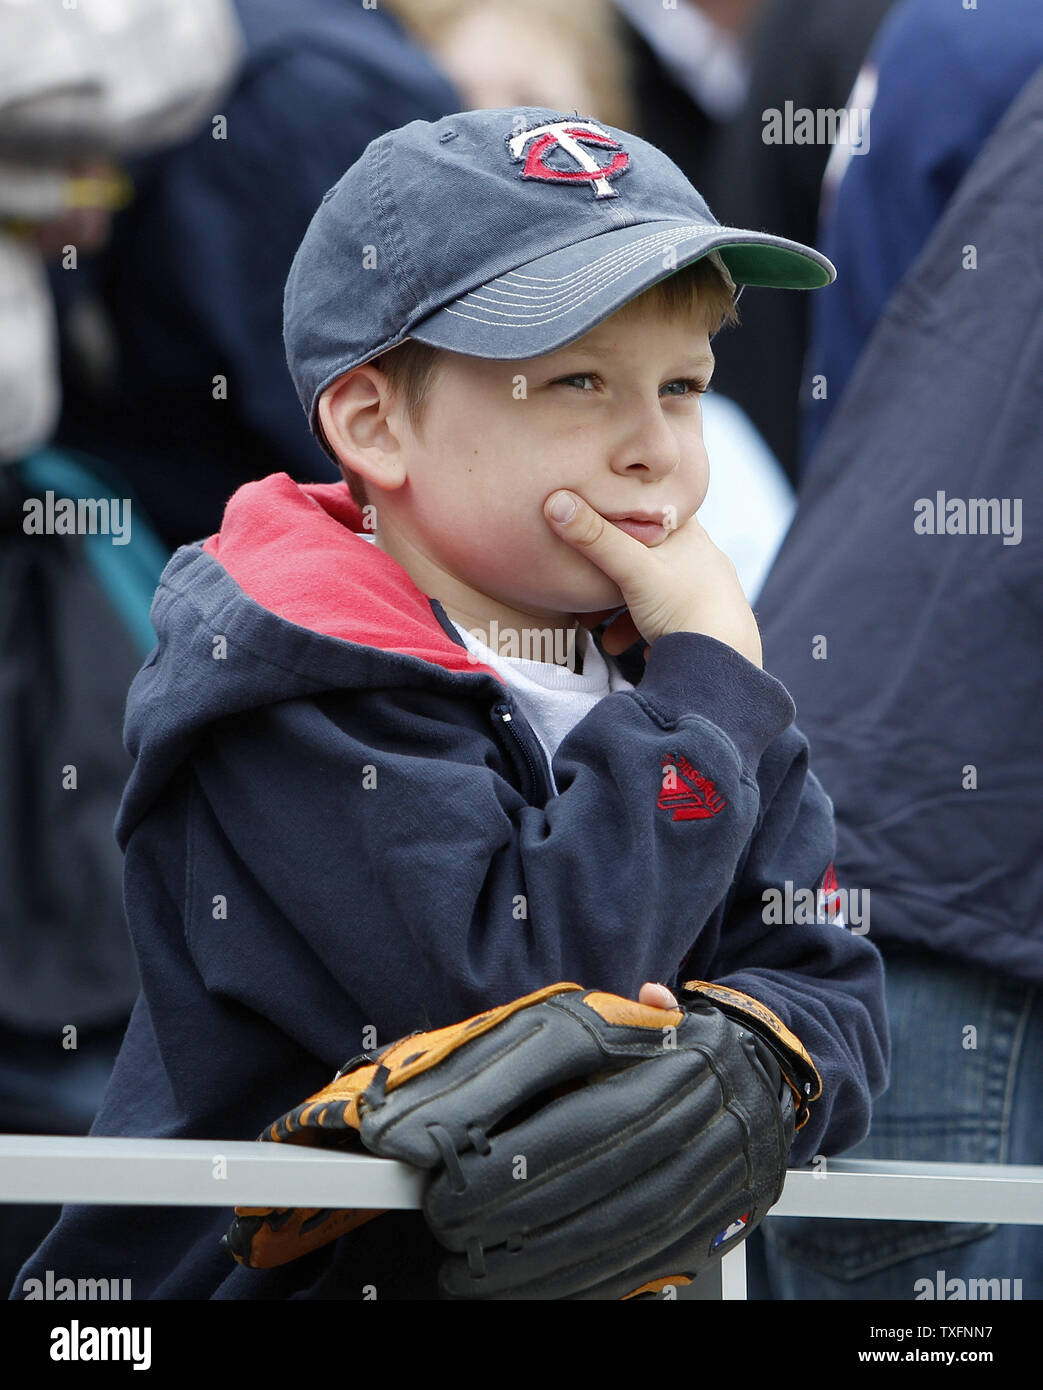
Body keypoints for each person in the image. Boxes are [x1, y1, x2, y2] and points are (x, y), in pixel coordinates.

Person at [12, 106, 887, 1300]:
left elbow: (827, 969)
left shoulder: (676, 664)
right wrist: (699, 702)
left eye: (681, 387)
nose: (654, 448)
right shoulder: (296, 677)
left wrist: (751, 1060)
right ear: (374, 423)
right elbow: (512, 985)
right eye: (579, 379)